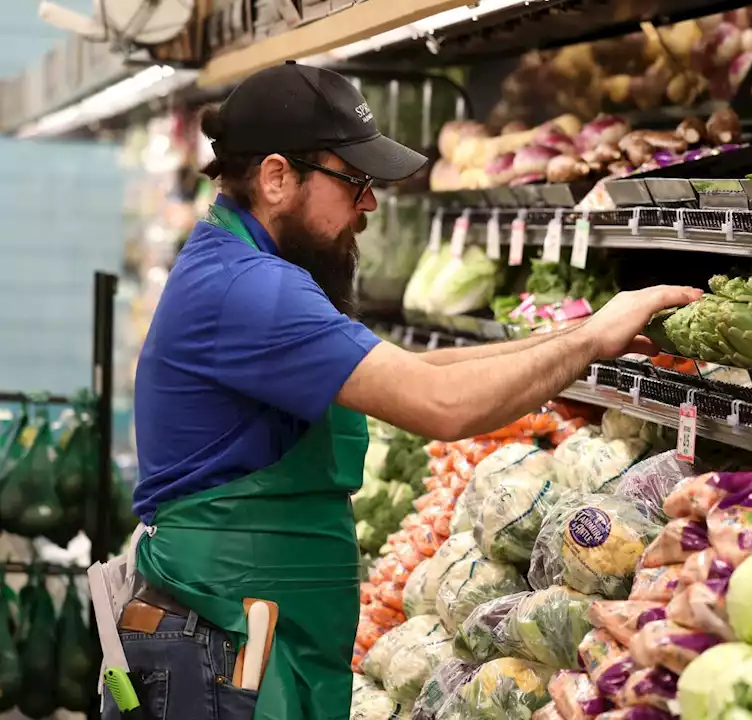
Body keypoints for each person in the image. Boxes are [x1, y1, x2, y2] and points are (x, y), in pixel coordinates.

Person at [112, 62, 699, 720]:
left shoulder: (243, 267)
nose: (368, 205)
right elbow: (441, 405)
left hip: (239, 633)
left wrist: (588, 332)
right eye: (353, 182)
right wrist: (587, 343)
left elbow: (426, 368)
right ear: (277, 177)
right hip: (222, 648)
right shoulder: (252, 290)